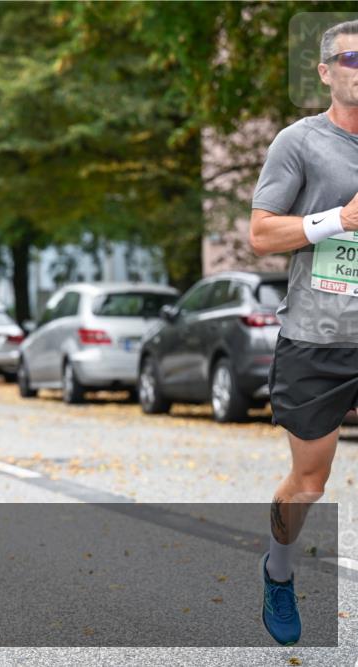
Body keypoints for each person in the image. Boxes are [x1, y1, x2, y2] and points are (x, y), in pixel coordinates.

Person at [248, 19, 358, 647]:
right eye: (350, 57)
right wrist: (338, 219)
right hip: (318, 334)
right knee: (310, 482)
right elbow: (262, 234)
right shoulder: (300, 143)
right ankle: (279, 570)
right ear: (325, 72)